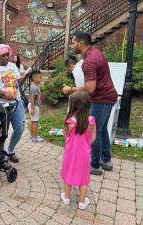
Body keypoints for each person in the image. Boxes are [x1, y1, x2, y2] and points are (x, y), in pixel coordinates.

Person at [62, 31, 118, 175]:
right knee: (102, 129)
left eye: (73, 42)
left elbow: (90, 89)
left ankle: (95, 165)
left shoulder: (89, 62)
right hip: (109, 97)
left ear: (81, 43)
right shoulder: (96, 53)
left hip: (101, 100)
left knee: (94, 131)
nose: (72, 45)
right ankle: (106, 160)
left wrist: (71, 90)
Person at [0, 44, 31, 163]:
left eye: (7, 55)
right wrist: (3, 92)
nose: (6, 58)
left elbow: (18, 85)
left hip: (16, 102)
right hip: (1, 105)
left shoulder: (12, 66)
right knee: (2, 131)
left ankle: (10, 151)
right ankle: (0, 153)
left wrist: (26, 75)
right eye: (3, 56)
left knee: (20, 128)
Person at [60, 91, 96, 210]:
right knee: (84, 179)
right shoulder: (91, 121)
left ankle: (66, 198)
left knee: (67, 174)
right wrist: (85, 145)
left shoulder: (69, 121)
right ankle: (81, 202)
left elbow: (65, 137)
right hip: (84, 154)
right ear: (87, 105)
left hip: (70, 153)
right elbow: (93, 138)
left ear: (73, 105)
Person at [28, 70, 43, 143]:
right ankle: (34, 137)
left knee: (33, 121)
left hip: (33, 106)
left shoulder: (33, 86)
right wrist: (33, 108)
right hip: (34, 106)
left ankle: (32, 136)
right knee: (35, 122)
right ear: (34, 78)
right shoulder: (35, 88)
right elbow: (32, 98)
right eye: (39, 77)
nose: (41, 79)